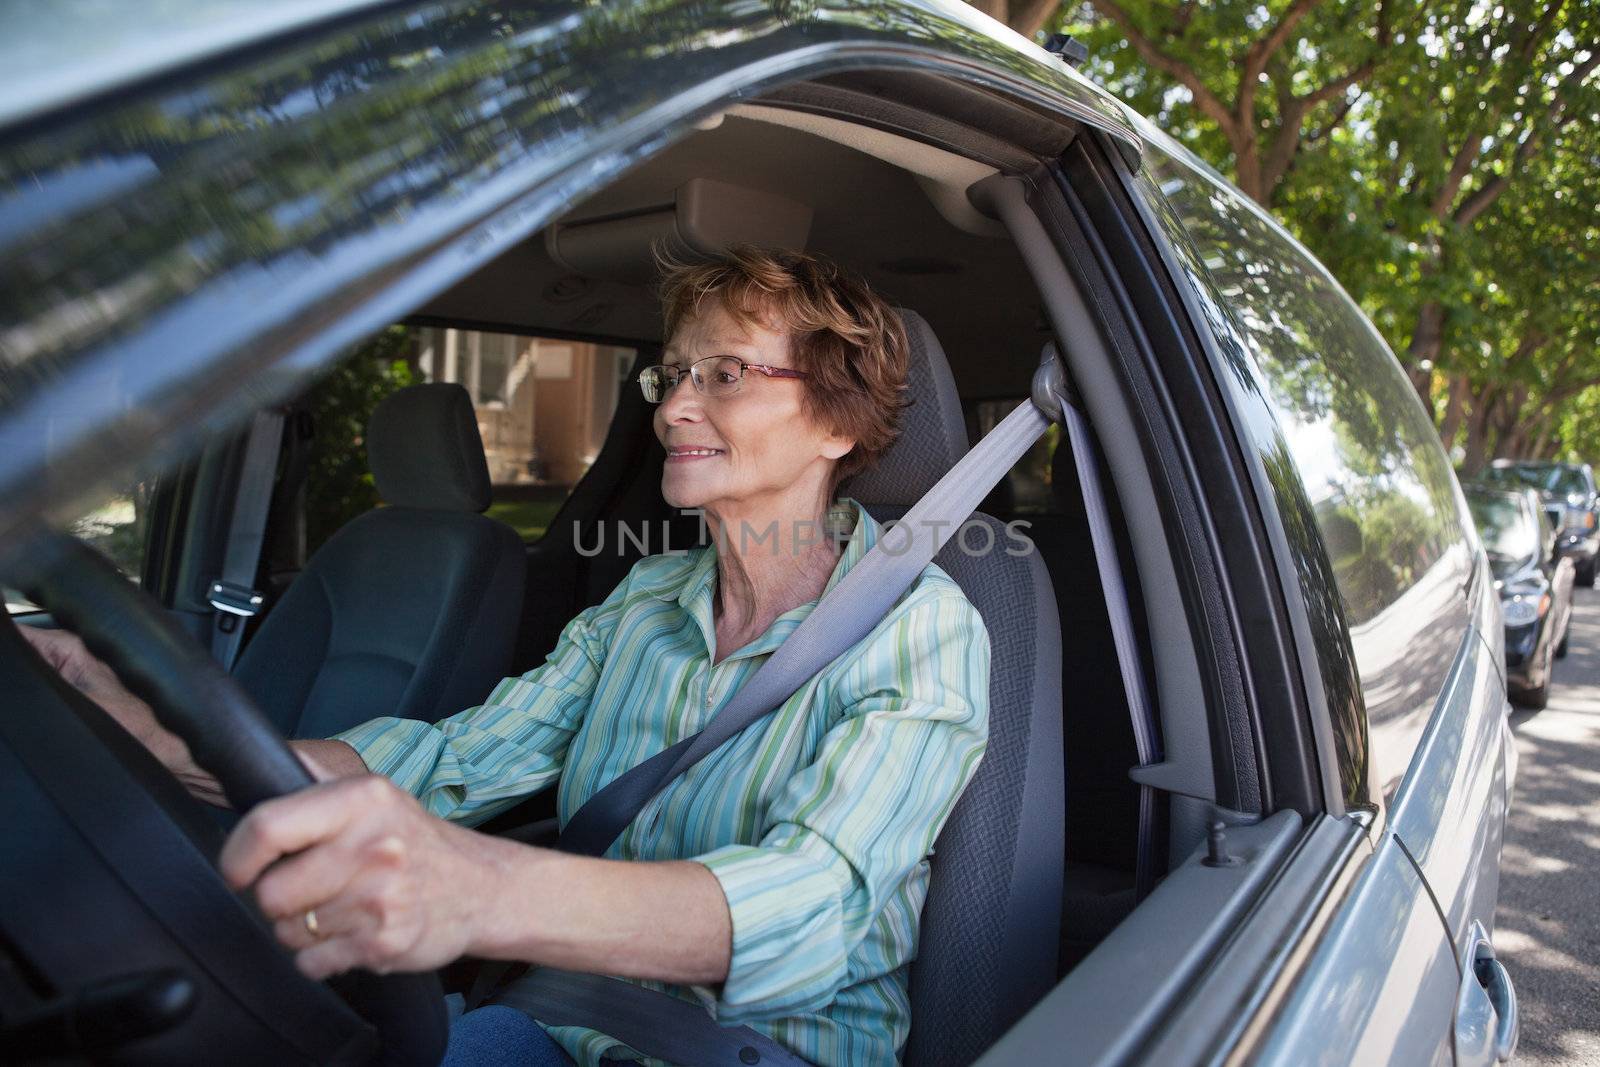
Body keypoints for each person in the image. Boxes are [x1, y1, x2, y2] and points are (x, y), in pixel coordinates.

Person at [24, 247, 991, 1067]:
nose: (672, 409)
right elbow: (454, 761)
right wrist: (151, 728)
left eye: (725, 373)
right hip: (565, 1027)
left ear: (839, 422)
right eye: (672, 375)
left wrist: (477, 891)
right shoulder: (646, 601)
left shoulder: (921, 630)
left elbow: (816, 903)